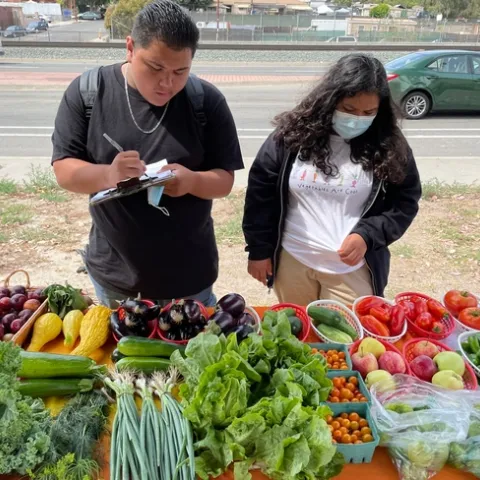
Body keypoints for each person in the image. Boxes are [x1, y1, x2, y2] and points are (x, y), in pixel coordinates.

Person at [51, 0, 243, 308]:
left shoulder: (205, 101)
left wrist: (191, 181)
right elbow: (64, 171)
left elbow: (224, 180)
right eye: (155, 68)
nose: (167, 83)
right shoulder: (89, 91)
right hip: (116, 276)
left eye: (181, 71)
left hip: (190, 277)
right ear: (130, 48)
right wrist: (108, 175)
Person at [242, 54, 421, 306]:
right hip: (294, 260)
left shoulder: (390, 145)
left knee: (348, 341)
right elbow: (261, 194)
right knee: (298, 336)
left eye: (368, 112)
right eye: (348, 109)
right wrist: (259, 251)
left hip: (351, 270)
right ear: (329, 100)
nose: (357, 118)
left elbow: (404, 202)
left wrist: (367, 236)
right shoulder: (291, 136)